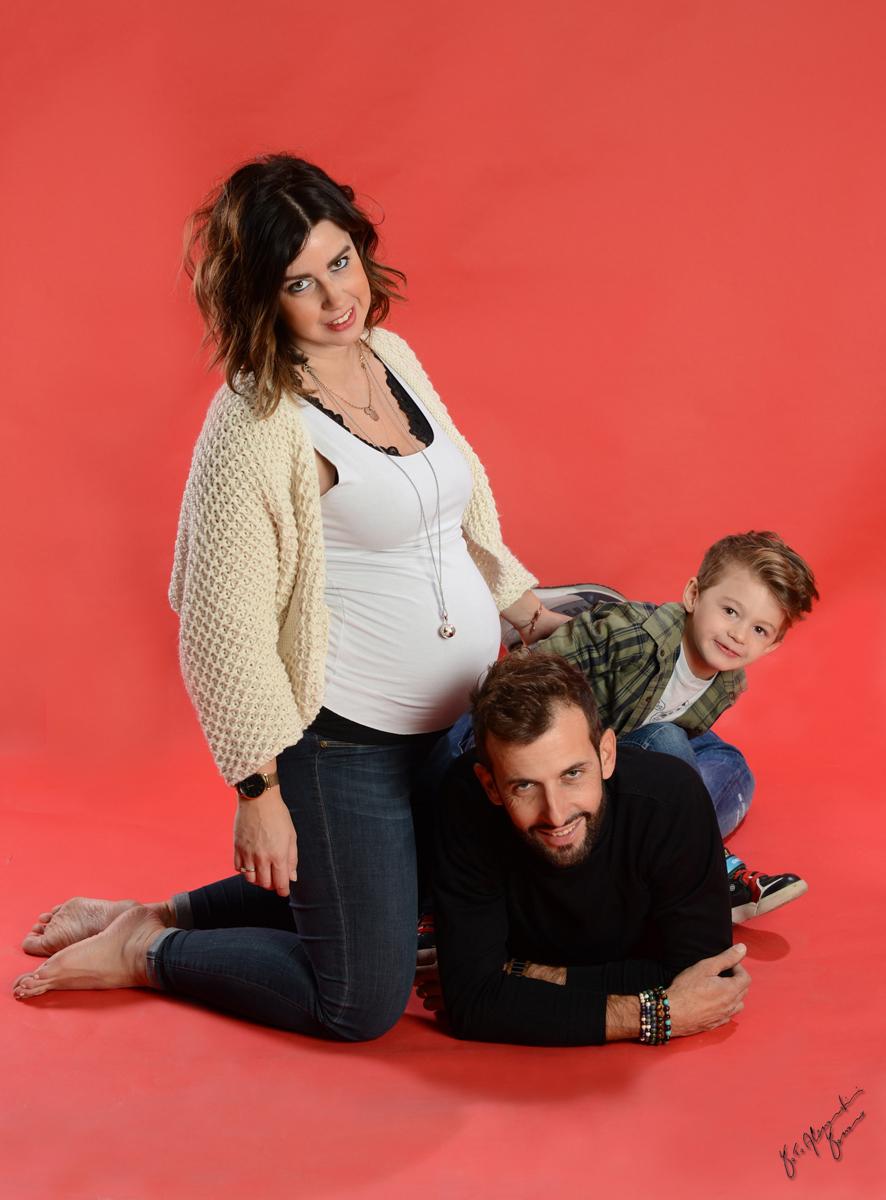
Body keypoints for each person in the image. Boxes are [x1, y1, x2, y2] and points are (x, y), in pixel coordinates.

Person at [12, 154, 570, 1037]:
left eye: (340, 262)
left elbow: (456, 508)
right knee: (359, 1000)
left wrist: (521, 604)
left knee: (444, 886)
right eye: (299, 283)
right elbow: (220, 623)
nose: (336, 298)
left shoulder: (389, 356)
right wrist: (257, 791)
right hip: (341, 741)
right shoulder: (255, 421)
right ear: (260, 299)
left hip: (452, 725)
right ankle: (145, 951)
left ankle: (155, 912)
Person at [423, 652, 751, 1045]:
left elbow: (705, 977)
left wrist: (527, 974)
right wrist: (654, 1013)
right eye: (524, 785)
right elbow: (473, 1003)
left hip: (658, 784)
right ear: (491, 785)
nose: (556, 814)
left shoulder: (671, 797)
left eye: (572, 774)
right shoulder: (466, 798)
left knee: (718, 768)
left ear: (606, 754)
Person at [537, 531, 819, 921]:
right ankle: (712, 872)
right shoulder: (633, 635)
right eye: (730, 611)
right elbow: (528, 676)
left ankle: (640, 858)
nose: (738, 635)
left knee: (733, 769)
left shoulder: (727, 684)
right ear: (693, 595)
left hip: (625, 763)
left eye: (759, 630)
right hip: (574, 759)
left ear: (771, 645)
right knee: (667, 738)